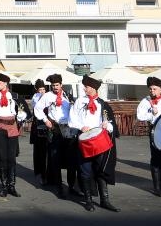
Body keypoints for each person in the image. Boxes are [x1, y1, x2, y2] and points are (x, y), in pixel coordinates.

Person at [68, 74, 119, 212]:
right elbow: (71, 119)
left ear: (94, 88)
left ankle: (105, 200)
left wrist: (106, 125)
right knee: (85, 170)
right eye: (85, 86)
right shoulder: (79, 101)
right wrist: (81, 127)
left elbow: (112, 125)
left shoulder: (103, 104)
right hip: (84, 140)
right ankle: (88, 200)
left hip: (99, 142)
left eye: (87, 87)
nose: (85, 89)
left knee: (101, 170)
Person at [34, 73, 78, 198]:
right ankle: (59, 187)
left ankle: (71, 186)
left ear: (61, 85)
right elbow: (37, 108)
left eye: (57, 85)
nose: (55, 87)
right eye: (53, 85)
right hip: (55, 128)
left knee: (71, 160)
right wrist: (45, 120)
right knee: (55, 159)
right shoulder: (47, 96)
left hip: (68, 129)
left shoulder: (67, 96)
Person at [29, 79, 49, 186]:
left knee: (49, 152)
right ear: (37, 90)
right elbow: (36, 108)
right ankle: (41, 174)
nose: (42, 91)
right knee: (39, 151)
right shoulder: (35, 98)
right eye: (40, 89)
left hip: (48, 125)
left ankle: (49, 174)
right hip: (38, 126)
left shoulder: (48, 96)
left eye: (43, 89)